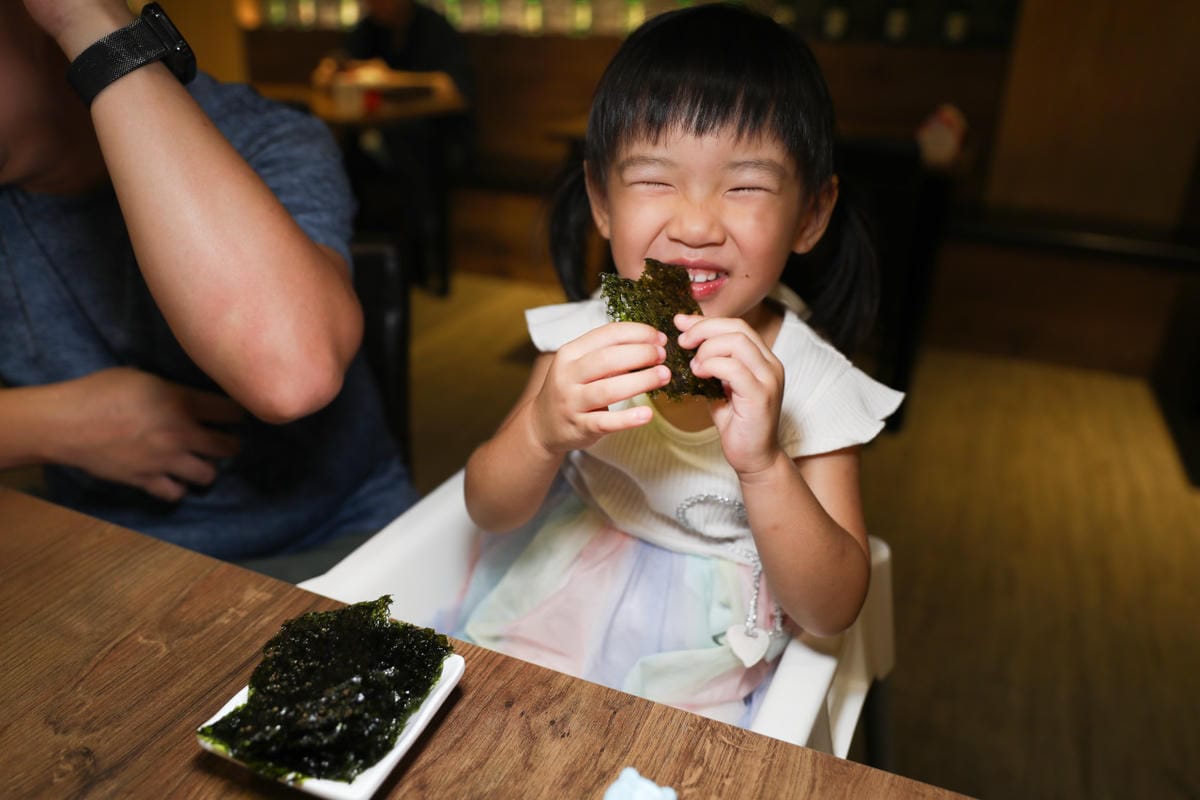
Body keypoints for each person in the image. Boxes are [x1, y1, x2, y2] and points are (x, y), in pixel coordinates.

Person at [450, 4, 904, 726]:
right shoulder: (584, 341)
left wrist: (764, 465)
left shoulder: (816, 385)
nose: (695, 225)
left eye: (746, 185)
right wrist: (539, 433)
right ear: (602, 200)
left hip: (713, 652)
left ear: (811, 215)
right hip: (564, 594)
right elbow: (486, 508)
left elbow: (832, 610)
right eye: (655, 180)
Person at [0, 0, 417, 580]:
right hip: (102, 549)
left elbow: (291, 372)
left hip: (335, 539)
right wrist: (51, 424)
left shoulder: (264, 136)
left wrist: (94, 24)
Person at [342, 0, 475, 294]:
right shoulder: (367, 30)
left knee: (413, 156)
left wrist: (388, 78)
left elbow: (455, 87)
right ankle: (367, 264)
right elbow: (339, 65)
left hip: (439, 138)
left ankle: (418, 265)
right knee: (344, 162)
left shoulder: (433, 27)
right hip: (384, 138)